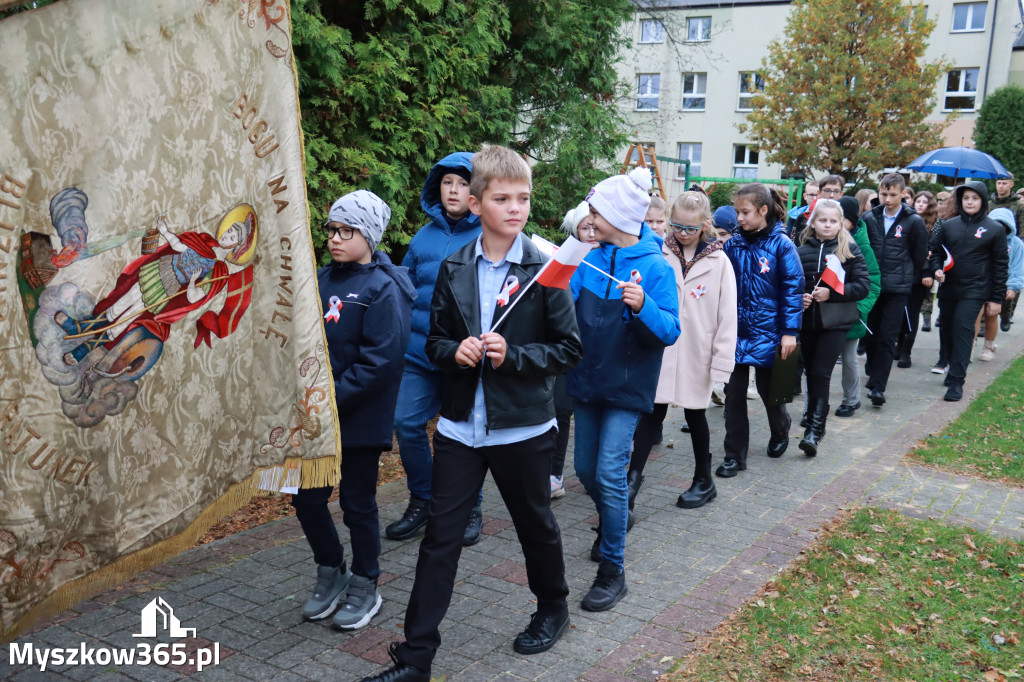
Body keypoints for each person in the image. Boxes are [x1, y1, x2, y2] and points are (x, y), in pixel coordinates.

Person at [362, 146, 583, 682]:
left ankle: (553, 608)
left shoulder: (545, 268)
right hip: (462, 426)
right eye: (502, 198)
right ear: (478, 202)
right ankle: (416, 658)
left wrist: (516, 356)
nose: (516, 208)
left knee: (536, 527)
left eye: (523, 198)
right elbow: (435, 340)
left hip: (523, 428)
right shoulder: (454, 266)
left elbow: (568, 349)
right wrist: (454, 351)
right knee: (441, 539)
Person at [295, 191, 415, 631]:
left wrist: (328, 399)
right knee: (306, 499)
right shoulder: (321, 280)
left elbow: (380, 362)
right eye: (331, 230)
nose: (335, 239)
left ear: (370, 235)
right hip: (315, 417)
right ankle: (331, 570)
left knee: (356, 502)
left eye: (347, 231)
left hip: (359, 417)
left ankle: (367, 582)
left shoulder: (386, 287)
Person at [568, 166, 680, 611]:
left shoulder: (654, 266)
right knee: (585, 471)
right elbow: (565, 308)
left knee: (611, 473)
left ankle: (612, 570)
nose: (590, 219)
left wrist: (643, 306)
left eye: (596, 212)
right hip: (587, 380)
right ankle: (618, 515)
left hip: (627, 386)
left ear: (619, 216)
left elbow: (669, 330)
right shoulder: (590, 259)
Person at [389, 153, 485, 546]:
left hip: (464, 356)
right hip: (419, 354)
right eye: (447, 183)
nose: (453, 191)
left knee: (465, 433)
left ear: (476, 191)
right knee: (406, 423)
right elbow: (404, 290)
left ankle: (470, 507)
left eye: (462, 184)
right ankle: (423, 500)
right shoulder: (422, 236)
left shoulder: (487, 235)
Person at [652, 191, 737, 508]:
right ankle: (630, 485)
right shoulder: (659, 254)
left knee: (696, 414)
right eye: (676, 226)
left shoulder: (719, 261)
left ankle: (704, 479)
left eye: (690, 228)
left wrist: (721, 365)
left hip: (697, 353)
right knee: (651, 413)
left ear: (704, 225)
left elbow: (728, 317)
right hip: (661, 351)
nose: (682, 233)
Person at [719, 184, 803, 476]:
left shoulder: (782, 246)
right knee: (734, 397)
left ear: (763, 211)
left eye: (745, 212)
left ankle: (781, 430)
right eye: (737, 212)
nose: (739, 218)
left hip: (771, 334)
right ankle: (734, 456)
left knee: (771, 394)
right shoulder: (732, 244)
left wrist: (789, 332)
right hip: (737, 334)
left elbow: (793, 290)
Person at [794, 200, 869, 454]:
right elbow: (790, 283)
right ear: (812, 222)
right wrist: (800, 296)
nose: (827, 225)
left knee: (822, 372)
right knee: (809, 371)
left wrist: (832, 294)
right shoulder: (800, 249)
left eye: (833, 221)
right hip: (806, 321)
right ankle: (813, 420)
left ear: (841, 223)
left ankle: (814, 431)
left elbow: (862, 286)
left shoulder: (849, 250)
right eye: (822, 220)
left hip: (835, 323)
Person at [930, 181, 1008, 401]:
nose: (970, 202)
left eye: (975, 198)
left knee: (963, 330)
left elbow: (1000, 265)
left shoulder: (994, 229)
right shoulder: (947, 225)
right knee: (947, 330)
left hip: (975, 290)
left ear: (982, 201)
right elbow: (935, 252)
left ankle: (956, 381)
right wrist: (936, 269)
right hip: (949, 288)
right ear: (960, 200)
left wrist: (996, 298)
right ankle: (952, 364)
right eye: (966, 198)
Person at [860, 173, 928, 407]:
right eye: (884, 194)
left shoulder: (913, 221)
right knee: (870, 334)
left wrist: (906, 276)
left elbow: (919, 256)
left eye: (892, 194)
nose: (887, 199)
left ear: (903, 194)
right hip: (873, 287)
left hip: (898, 288)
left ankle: (878, 387)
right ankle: (872, 368)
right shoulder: (870, 217)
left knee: (888, 337)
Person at [550, 201, 597, 500]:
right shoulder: (566, 260)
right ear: (575, 231)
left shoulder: (611, 256)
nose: (591, 232)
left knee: (596, 411)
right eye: (585, 227)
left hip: (601, 350)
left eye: (595, 226)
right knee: (561, 409)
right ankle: (555, 474)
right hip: (571, 348)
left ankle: (602, 470)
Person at [834, 196, 881, 418]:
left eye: (842, 218)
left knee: (849, 357)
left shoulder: (861, 246)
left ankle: (851, 400)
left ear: (852, 221)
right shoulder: (824, 240)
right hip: (825, 310)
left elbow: (873, 281)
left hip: (851, 311)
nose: (836, 222)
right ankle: (815, 404)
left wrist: (860, 309)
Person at [895, 191, 939, 367]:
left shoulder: (936, 225)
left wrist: (927, 273)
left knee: (912, 313)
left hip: (920, 276)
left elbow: (932, 251)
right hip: (902, 273)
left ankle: (906, 351)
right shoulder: (907, 220)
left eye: (924, 202)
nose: (920, 204)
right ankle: (898, 346)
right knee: (898, 313)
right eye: (918, 201)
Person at [977, 207, 1023, 361]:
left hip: (999, 285)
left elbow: (1018, 267)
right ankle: (970, 344)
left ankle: (988, 346)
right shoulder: (981, 237)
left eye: (1003, 224)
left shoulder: (1016, 244)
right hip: (979, 282)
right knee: (975, 315)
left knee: (991, 315)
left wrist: (1013, 287)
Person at [992, 174, 1024, 238]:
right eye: (998, 183)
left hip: (1013, 244)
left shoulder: (1020, 206)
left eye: (1004, 183)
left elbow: (1022, 232)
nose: (1001, 186)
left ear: (1011, 184)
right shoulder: (988, 205)